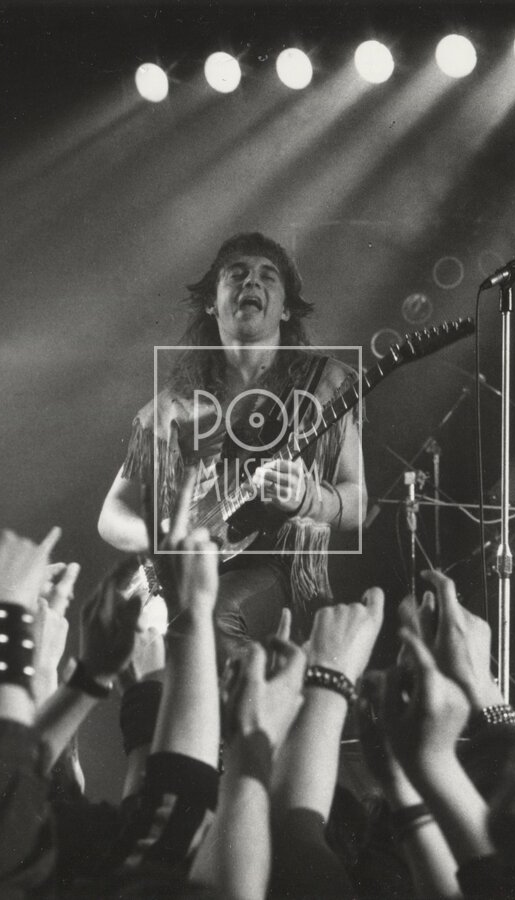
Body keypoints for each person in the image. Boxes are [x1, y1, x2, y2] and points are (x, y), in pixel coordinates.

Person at [98, 232, 366, 661]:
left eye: (267, 276)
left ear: (287, 308)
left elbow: (357, 503)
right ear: (211, 301)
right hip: (188, 572)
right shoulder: (173, 405)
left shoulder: (326, 384)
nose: (251, 282)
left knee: (211, 618)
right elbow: (111, 514)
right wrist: (163, 536)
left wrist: (308, 498)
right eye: (236, 274)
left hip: (276, 571)